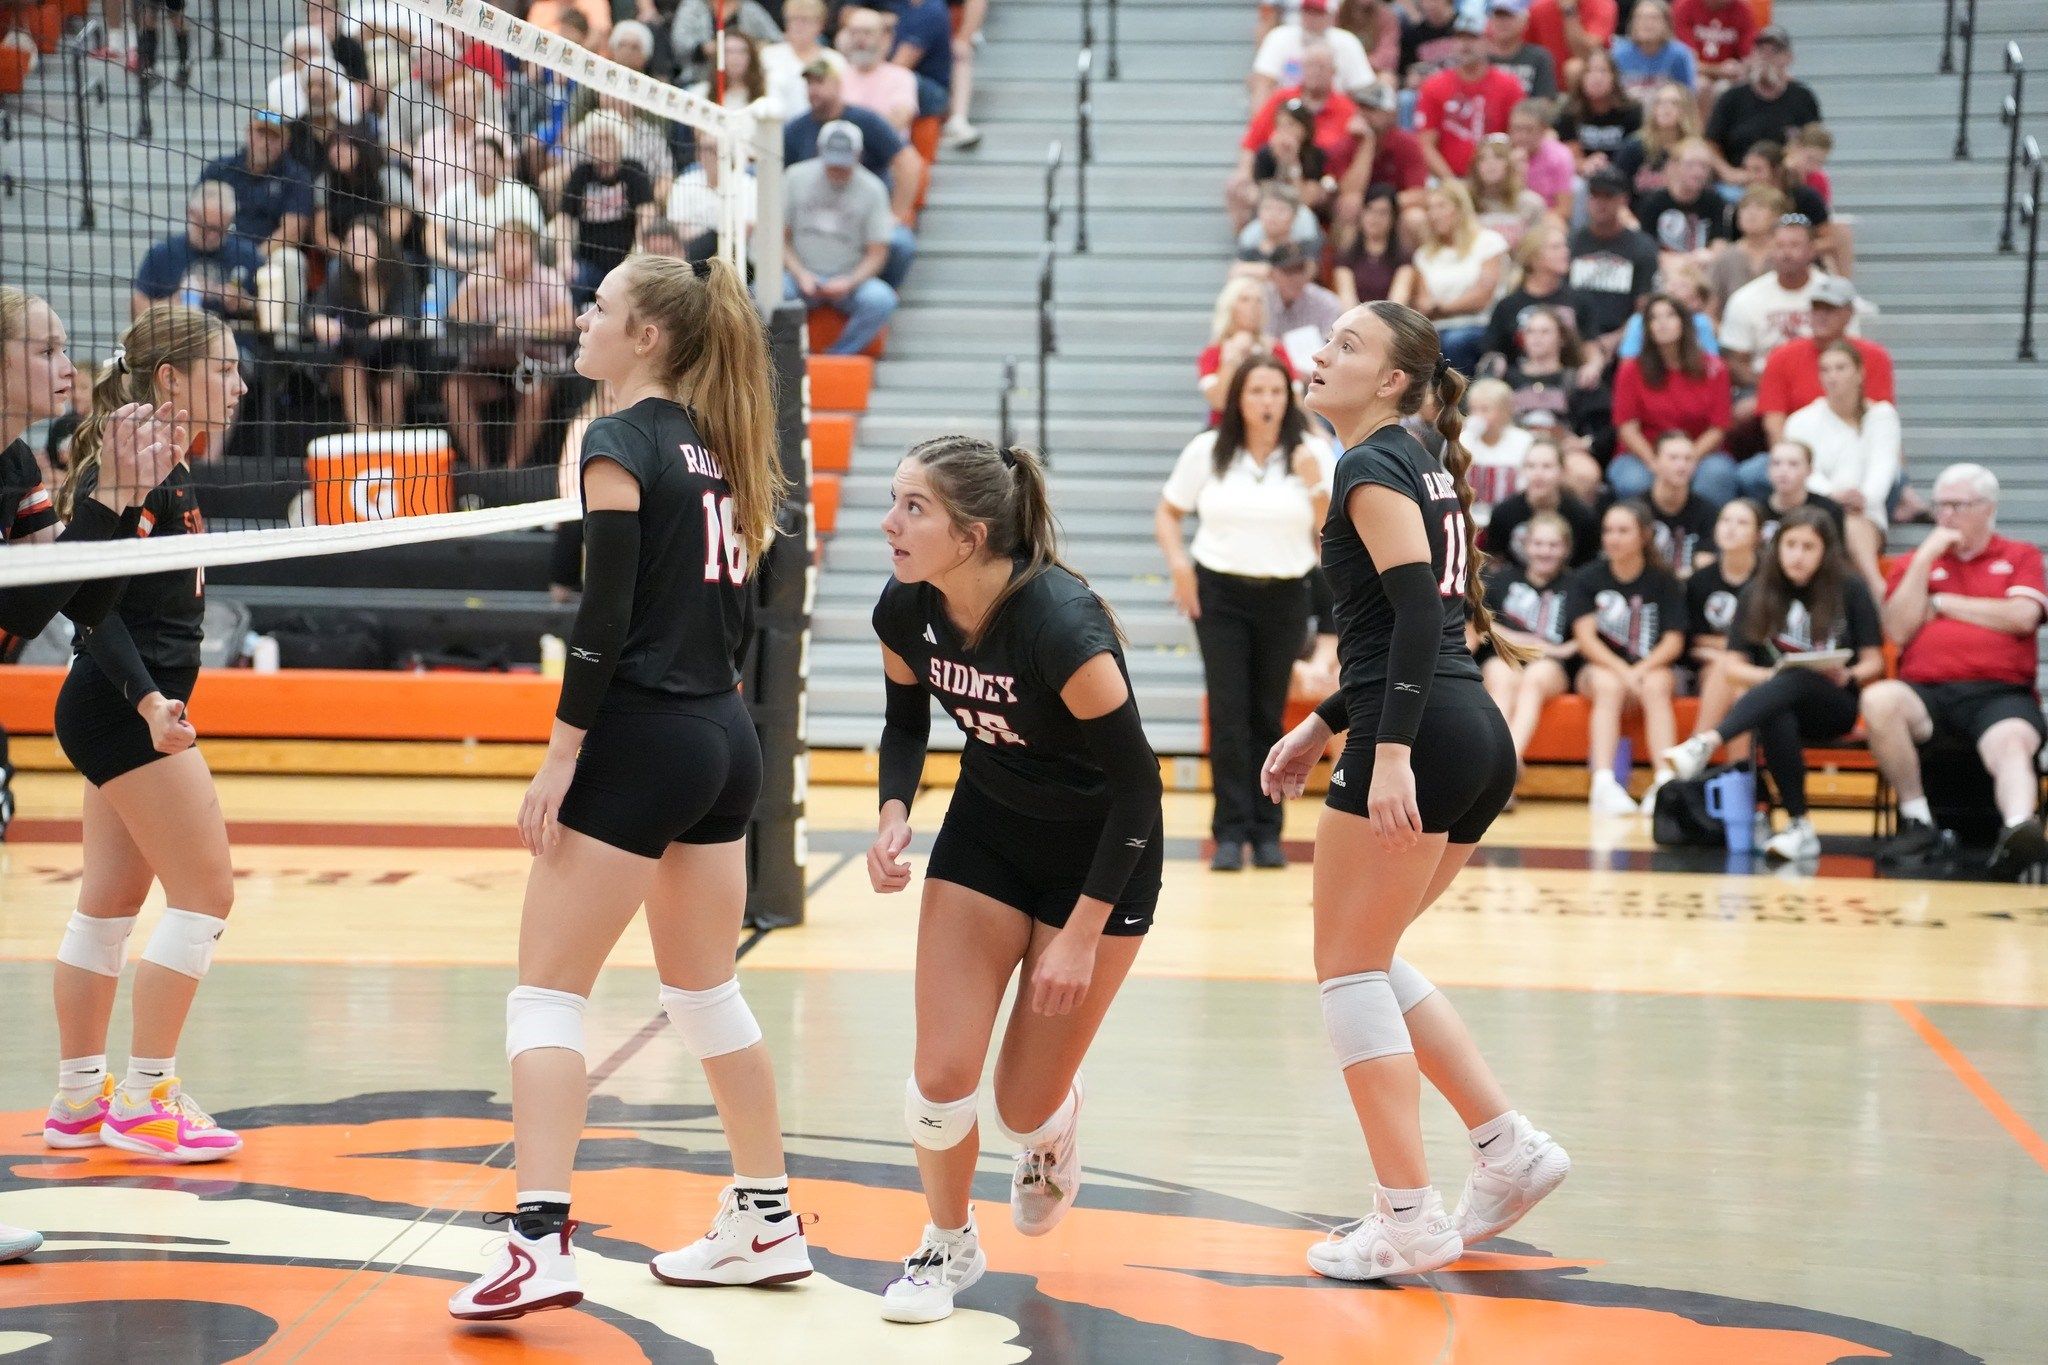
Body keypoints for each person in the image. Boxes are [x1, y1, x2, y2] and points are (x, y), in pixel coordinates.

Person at [448, 255, 809, 1320]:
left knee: (546, 997)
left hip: (644, 733)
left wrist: (561, 755)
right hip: (723, 733)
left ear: (646, 336)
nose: (579, 321)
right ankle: (766, 1215)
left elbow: (600, 621)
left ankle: (536, 1242)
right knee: (704, 994)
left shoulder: (618, 439)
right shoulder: (725, 446)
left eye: (598, 309)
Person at [1259, 299, 1568, 1282]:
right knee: (1371, 957)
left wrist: (1382, 751)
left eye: (1346, 345)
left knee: (1347, 971)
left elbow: (1412, 618)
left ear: (1390, 379)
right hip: (1466, 731)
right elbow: (1406, 630)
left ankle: (1408, 1215)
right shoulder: (1412, 457)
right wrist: (1319, 725)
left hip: (1425, 733)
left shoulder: (1367, 463)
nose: (1320, 352)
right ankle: (1503, 1146)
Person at [866, 436, 1164, 1323]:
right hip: (989, 835)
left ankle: (1052, 1124)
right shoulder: (906, 607)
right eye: (894, 499)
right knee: (940, 1075)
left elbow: (1139, 784)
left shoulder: (1059, 625)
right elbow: (904, 719)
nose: (890, 522)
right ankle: (947, 1240)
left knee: (1018, 1102)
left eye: (913, 507)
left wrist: (1079, 934)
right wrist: (892, 810)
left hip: (1101, 856)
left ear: (972, 534)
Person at [43, 305, 250, 1168]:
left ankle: (78, 1096)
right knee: (207, 892)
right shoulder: (136, 468)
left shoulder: (162, 462)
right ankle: (147, 1096)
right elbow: (94, 611)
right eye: (224, 368)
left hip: (114, 705)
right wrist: (149, 701)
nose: (240, 385)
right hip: (123, 706)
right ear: (171, 380)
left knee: (108, 905)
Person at [1157, 357, 1331, 870]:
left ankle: (1268, 829)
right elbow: (1168, 512)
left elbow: (1329, 540)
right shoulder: (1209, 450)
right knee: (1229, 715)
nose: (1267, 401)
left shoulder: (1313, 452)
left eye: (1276, 391)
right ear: (1238, 398)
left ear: (1290, 397)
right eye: (1256, 391)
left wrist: (1317, 485)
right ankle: (1229, 832)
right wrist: (1179, 567)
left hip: (1286, 594)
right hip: (1219, 595)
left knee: (1268, 715)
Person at [1665, 506, 1884, 861]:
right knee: (1779, 705)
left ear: (1826, 552)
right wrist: (1775, 680)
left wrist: (1848, 675)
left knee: (1796, 680)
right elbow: (1733, 667)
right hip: (1778, 703)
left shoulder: (1850, 588)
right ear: (1777, 547)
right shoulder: (1758, 591)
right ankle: (1800, 826)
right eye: (1791, 545)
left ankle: (1707, 742)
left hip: (1835, 704)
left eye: (1808, 547)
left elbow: (1874, 661)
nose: (1797, 555)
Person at [1859, 464, 2048, 873]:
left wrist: (1943, 605)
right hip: (1926, 693)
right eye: (1940, 505)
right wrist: (1926, 557)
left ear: (1987, 508)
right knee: (1878, 699)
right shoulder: (1917, 562)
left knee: (2014, 741)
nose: (1946, 515)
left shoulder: (2019, 556)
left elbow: (2021, 616)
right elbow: (1897, 628)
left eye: (1957, 506)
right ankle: (1917, 819)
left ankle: (2019, 830)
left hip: (1999, 693)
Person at [0, 288, 185, 646]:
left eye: (64, 350)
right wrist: (102, 497)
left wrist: (127, 496)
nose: (69, 370)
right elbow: (22, 611)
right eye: (47, 351)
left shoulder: (18, 463)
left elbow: (86, 605)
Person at [1568, 498, 1686, 815]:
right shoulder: (1588, 577)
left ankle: (1664, 781)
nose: (1613, 538)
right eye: (1608, 530)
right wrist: (1624, 670)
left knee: (1657, 684)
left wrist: (1641, 669)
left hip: (1651, 667)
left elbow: (1673, 641)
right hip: (1600, 668)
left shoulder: (1663, 581)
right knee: (1609, 685)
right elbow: (1585, 637)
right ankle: (1603, 783)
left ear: (1644, 536)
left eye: (1623, 530)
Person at [446, 221, 578, 471]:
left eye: (518, 244)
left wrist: (521, 326)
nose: (511, 251)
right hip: (487, 368)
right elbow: (455, 320)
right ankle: (480, 470)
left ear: (532, 250)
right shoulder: (481, 278)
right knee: (453, 388)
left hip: (533, 366)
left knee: (536, 390)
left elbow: (566, 322)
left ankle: (512, 469)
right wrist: (475, 290)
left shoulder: (547, 278)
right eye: (504, 244)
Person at [1782, 341, 1898, 598]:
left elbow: (1884, 466)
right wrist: (1835, 495)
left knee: (1854, 523)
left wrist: (1863, 498)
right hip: (1817, 506)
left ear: (1860, 372)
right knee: (1837, 521)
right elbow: (1801, 469)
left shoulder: (1882, 415)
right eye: (1825, 369)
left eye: (1840, 368)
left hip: (1866, 511)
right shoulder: (1801, 420)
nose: (1832, 376)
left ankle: (1873, 588)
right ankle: (1874, 590)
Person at [784, 122, 900, 357]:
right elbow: (780, 239)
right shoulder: (795, 177)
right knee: (765, 293)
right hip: (801, 276)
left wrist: (850, 281)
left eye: (844, 164)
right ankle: (783, 358)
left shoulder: (873, 189)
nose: (837, 170)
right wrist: (800, 274)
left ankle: (837, 356)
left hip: (849, 279)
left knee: (881, 299)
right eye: (832, 163)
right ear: (819, 151)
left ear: (858, 155)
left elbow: (877, 252)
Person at [1609, 294, 1735, 503]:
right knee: (1634, 481)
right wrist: (1656, 462)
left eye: (1670, 316)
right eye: (1654, 318)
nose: (1662, 323)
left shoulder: (1715, 368)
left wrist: (1684, 460)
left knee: (1716, 476)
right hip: (1645, 453)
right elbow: (1627, 428)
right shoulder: (1631, 370)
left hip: (1700, 452)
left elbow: (1718, 427)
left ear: (1684, 323)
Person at [1480, 509, 1580, 765]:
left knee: (1534, 679)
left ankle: (1507, 765)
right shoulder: (1500, 579)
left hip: (1549, 664)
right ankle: (1495, 764)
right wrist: (1523, 641)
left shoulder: (1576, 585)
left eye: (1553, 545)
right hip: (1505, 655)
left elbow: (1587, 636)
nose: (1545, 551)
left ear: (1566, 548)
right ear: (1525, 545)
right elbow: (1482, 623)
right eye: (1537, 544)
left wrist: (1557, 650)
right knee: (1502, 679)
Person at [1754, 274, 1892, 448]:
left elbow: (1879, 417)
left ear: (1848, 313)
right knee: (1751, 474)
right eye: (1816, 308)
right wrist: (1790, 462)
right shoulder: (1781, 356)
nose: (1821, 316)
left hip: (1859, 446)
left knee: (1897, 474)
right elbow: (1774, 421)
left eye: (1830, 309)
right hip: (1798, 449)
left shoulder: (1875, 356)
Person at [308, 221, 419, 431]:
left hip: (394, 360)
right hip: (350, 360)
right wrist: (319, 322)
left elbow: (409, 316)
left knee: (390, 387)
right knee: (352, 369)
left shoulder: (400, 272)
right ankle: (363, 448)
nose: (356, 247)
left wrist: (398, 323)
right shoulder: (340, 275)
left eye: (364, 241)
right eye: (350, 241)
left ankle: (388, 455)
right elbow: (316, 311)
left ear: (381, 245)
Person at [1231, 46, 1362, 223]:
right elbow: (1251, 142)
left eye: (1321, 67)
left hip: (1321, 190)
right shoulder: (1278, 103)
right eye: (1310, 66)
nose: (1315, 72)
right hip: (1270, 201)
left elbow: (1308, 197)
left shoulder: (1345, 111)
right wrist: (1246, 174)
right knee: (1240, 189)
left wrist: (1292, 162)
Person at [424, 135, 547, 321]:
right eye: (477, 159)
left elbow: (532, 240)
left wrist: (497, 260)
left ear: (502, 163)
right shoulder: (456, 193)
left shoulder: (520, 194)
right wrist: (463, 261)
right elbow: (432, 237)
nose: (482, 165)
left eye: (487, 159)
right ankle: (447, 328)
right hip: (463, 255)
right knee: (439, 266)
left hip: (509, 256)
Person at [1404, 183, 1509, 375]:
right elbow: (1422, 301)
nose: (1434, 214)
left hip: (1480, 324)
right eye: (1430, 208)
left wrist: (1442, 308)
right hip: (1437, 329)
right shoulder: (1424, 254)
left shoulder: (1488, 243)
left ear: (1460, 209)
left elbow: (1482, 297)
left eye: (1441, 206)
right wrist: (1431, 307)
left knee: (1454, 342)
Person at [1720, 213, 1831, 394]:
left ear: (1812, 250)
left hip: (1823, 384)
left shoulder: (1833, 295)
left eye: (1795, 245)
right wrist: (1774, 387)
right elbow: (1735, 362)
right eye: (1779, 246)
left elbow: (1848, 348)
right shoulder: (1745, 298)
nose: (1786, 253)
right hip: (1761, 385)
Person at [1681, 495, 1762, 736]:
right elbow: (1692, 639)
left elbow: (1763, 641)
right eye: (1725, 520)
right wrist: (1735, 648)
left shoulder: (1769, 580)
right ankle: (1733, 768)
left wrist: (1722, 649)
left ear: (1758, 535)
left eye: (1742, 523)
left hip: (1755, 666)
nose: (1731, 528)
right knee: (1728, 678)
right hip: (1707, 666)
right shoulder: (1699, 580)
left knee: (1739, 688)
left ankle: (1704, 754)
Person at [554, 118, 657, 304]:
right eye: (595, 139)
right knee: (570, 277)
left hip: (626, 262)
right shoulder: (581, 173)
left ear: (619, 142)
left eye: (606, 138)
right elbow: (563, 218)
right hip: (588, 263)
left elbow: (647, 214)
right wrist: (564, 258)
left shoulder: (633, 171)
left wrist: (639, 254)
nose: (600, 144)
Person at [1414, 14, 1526, 182]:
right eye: (1459, 38)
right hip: (1448, 179)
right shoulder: (1434, 85)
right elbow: (1425, 144)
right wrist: (1452, 183)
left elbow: (1519, 139)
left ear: (1488, 42)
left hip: (1497, 179)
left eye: (1473, 38)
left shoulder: (1509, 85)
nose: (1465, 45)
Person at [131, 183, 264, 325]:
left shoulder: (248, 255)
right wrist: (175, 303)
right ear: (191, 213)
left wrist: (246, 304)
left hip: (236, 342)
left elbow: (274, 313)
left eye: (220, 229)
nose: (212, 236)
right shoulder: (162, 254)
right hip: (177, 341)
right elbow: (136, 312)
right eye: (207, 228)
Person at [1704, 25, 1821, 183]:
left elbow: (1815, 142)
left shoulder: (1803, 98)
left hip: (1786, 181)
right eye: (1761, 51)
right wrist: (1728, 172)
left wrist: (1792, 166)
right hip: (1739, 180)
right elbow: (1711, 142)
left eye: (1775, 52)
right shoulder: (1732, 97)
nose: (1766, 57)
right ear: (1752, 56)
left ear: (1789, 58)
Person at [1568, 167, 1659, 360]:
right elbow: (1559, 298)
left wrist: (1616, 338)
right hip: (1573, 338)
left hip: (1623, 340)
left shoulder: (1642, 247)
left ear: (1623, 200)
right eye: (1594, 196)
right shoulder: (1572, 243)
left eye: (1608, 196)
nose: (1600, 203)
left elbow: (1643, 306)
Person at [199, 110, 317, 252]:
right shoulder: (219, 169)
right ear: (248, 134)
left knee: (289, 258)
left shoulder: (296, 176)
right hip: (220, 250)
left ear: (286, 143)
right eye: (261, 134)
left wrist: (253, 260)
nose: (266, 143)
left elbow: (292, 232)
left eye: (274, 137)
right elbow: (199, 214)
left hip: (268, 257)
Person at [1482, 435, 1600, 568]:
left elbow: (1589, 566)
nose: (1538, 474)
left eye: (1547, 466)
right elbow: (1494, 563)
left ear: (1562, 471)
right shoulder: (1503, 513)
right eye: (1531, 466)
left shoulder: (1582, 516)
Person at [1250, 0, 1376, 107]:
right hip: (1289, 113)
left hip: (1334, 114)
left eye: (1318, 13)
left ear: (1331, 15)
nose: (1311, 18)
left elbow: (1363, 88)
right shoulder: (1280, 37)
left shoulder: (1347, 42)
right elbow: (1263, 82)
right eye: (1307, 11)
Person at [1200, 277, 1294, 417]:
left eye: (1259, 300)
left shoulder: (1276, 350)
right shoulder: (1212, 353)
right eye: (1245, 299)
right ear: (1230, 307)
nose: (1253, 306)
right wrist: (1231, 358)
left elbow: (1295, 400)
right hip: (1225, 429)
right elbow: (1219, 402)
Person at [1635, 137, 1729, 260]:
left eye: (1704, 166)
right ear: (1673, 166)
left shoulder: (1714, 201)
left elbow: (1720, 241)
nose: (1698, 173)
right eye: (1690, 165)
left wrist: (1710, 254)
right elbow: (1647, 245)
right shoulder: (1653, 202)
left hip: (1702, 263)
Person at [1706, 183, 1788, 313]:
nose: (1751, 213)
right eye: (1745, 207)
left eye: (1760, 207)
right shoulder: (1725, 258)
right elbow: (1711, 310)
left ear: (1777, 215)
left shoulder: (1787, 256)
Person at [835, 8, 918, 134]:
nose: (860, 39)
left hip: (883, 151)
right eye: (854, 32)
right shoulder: (837, 74)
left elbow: (898, 121)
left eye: (867, 33)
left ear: (884, 38)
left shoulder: (901, 77)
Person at [1558, 46, 1641, 172]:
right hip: (1584, 174)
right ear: (1581, 79)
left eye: (1603, 71)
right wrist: (1584, 164)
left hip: (1622, 174)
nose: (1596, 77)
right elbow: (1569, 156)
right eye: (1589, 71)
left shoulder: (1632, 111)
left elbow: (1636, 154)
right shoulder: (1569, 111)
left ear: (1614, 77)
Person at [1614, 80, 1700, 199]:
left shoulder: (1696, 151)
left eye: (1674, 103)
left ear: (1687, 110)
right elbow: (1616, 193)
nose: (1666, 108)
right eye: (1660, 102)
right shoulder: (1633, 147)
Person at [668, 0, 781, 90]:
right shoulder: (693, 7)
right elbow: (678, 43)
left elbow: (777, 40)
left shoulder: (750, 9)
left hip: (744, 84)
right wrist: (705, 48)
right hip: (699, 79)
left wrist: (752, 48)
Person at [1332, 184, 1415, 307]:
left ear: (1393, 218)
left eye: (1383, 212)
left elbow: (1397, 303)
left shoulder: (1403, 258)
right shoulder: (1346, 256)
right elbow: (1346, 301)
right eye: (1370, 210)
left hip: (1391, 320)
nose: (1375, 218)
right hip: (1354, 320)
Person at [1461, 377, 1533, 512]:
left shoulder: (1524, 442)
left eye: (1485, 410)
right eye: (1473, 409)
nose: (1477, 416)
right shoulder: (1462, 441)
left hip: (1509, 516)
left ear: (1505, 412)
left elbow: (1526, 488)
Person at [1465, 134, 1547, 250]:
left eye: (1498, 157)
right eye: (1482, 158)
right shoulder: (1465, 202)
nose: (1490, 163)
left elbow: (1536, 250)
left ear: (1510, 164)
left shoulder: (1531, 204)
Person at [1674, 0, 1755, 107]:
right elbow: (1685, 62)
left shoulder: (1743, 10)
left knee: (1725, 89)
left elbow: (1750, 57)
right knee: (1701, 86)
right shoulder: (1685, 6)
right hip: (1695, 75)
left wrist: (1740, 68)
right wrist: (1719, 70)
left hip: (1729, 77)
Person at [1481, 0, 1558, 99]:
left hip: (1529, 112)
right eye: (1498, 16)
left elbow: (1546, 100)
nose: (1502, 22)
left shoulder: (1539, 58)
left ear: (1524, 21)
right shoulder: (1480, 57)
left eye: (1509, 16)